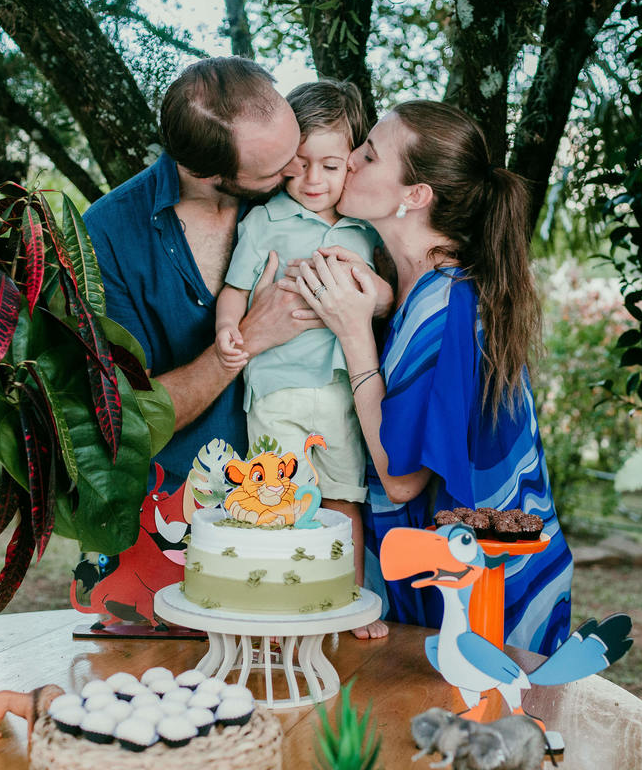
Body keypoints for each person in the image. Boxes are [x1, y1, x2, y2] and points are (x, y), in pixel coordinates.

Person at [290, 100, 573, 655]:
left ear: (414, 197)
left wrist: (352, 333)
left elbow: (401, 479)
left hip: (488, 603)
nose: (347, 161)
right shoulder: (432, 290)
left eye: (368, 155)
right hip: (460, 584)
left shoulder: (445, 308)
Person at [83, 57, 315, 491]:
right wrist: (249, 336)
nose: (298, 171)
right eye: (273, 170)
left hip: (302, 489)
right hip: (171, 509)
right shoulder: (106, 235)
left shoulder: (304, 193)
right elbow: (126, 417)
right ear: (206, 174)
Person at [213, 81, 386, 639]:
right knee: (276, 499)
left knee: (343, 497)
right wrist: (227, 329)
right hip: (276, 388)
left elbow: (384, 298)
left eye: (330, 166)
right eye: (299, 166)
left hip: (342, 391)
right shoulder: (263, 222)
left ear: (352, 164)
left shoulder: (365, 231)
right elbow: (236, 289)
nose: (314, 181)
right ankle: (282, 602)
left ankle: (349, 600)